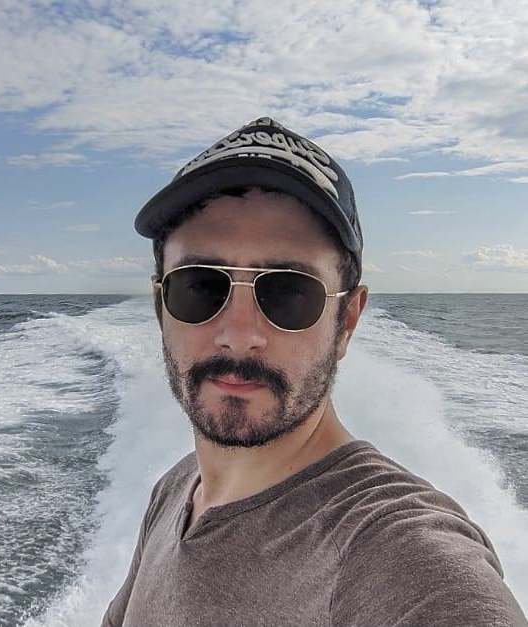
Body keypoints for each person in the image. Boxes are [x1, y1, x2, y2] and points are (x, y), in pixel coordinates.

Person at [101, 117, 527, 627]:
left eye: (288, 292)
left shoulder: (398, 553)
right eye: (200, 287)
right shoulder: (175, 491)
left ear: (346, 321)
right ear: (160, 308)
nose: (239, 334)